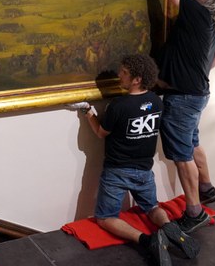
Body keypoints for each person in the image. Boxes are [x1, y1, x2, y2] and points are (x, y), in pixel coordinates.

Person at [70, 54, 199, 265]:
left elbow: (101, 133)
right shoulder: (156, 101)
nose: (119, 75)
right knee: (152, 208)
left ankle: (147, 240)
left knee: (106, 217)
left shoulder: (119, 105)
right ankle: (170, 228)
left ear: (137, 79)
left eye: (124, 73)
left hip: (117, 171)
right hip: (144, 170)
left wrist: (87, 112)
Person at [155, 0, 215, 233]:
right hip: (198, 94)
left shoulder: (197, 12)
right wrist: (191, 71)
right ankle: (207, 188)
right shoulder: (210, 25)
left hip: (184, 97)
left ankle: (195, 211)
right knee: (192, 142)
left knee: (181, 154)